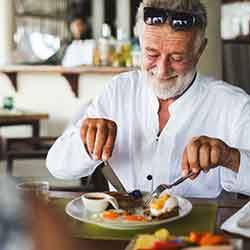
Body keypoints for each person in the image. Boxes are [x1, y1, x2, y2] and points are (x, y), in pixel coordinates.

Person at [46, 0, 250, 198]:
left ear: (199, 51)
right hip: (124, 226)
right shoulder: (119, 90)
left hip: (199, 231)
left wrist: (230, 157)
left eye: (177, 58)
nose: (162, 70)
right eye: (151, 54)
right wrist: (87, 142)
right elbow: (56, 165)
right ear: (140, 43)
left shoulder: (232, 105)